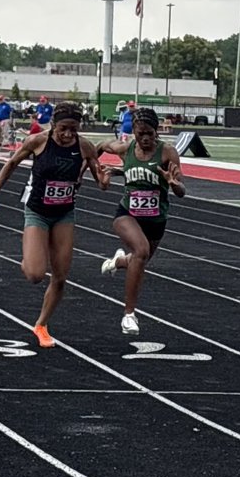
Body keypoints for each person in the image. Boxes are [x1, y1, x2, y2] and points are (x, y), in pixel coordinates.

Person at [0, 102, 109, 348]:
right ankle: (29, 253)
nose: (68, 134)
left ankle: (41, 325)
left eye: (73, 129)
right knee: (36, 274)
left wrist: (104, 178)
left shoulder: (85, 146)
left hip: (64, 214)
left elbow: (101, 183)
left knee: (60, 276)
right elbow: (11, 163)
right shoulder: (38, 142)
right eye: (63, 129)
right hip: (37, 211)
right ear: (53, 126)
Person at [97, 107, 187, 334]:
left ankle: (118, 262)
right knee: (141, 251)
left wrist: (174, 183)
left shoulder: (168, 153)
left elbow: (182, 191)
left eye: (149, 133)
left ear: (156, 131)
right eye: (140, 134)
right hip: (127, 213)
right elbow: (99, 146)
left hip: (156, 219)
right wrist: (93, 171)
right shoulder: (126, 148)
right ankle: (129, 315)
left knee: (140, 258)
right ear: (134, 132)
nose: (145, 138)